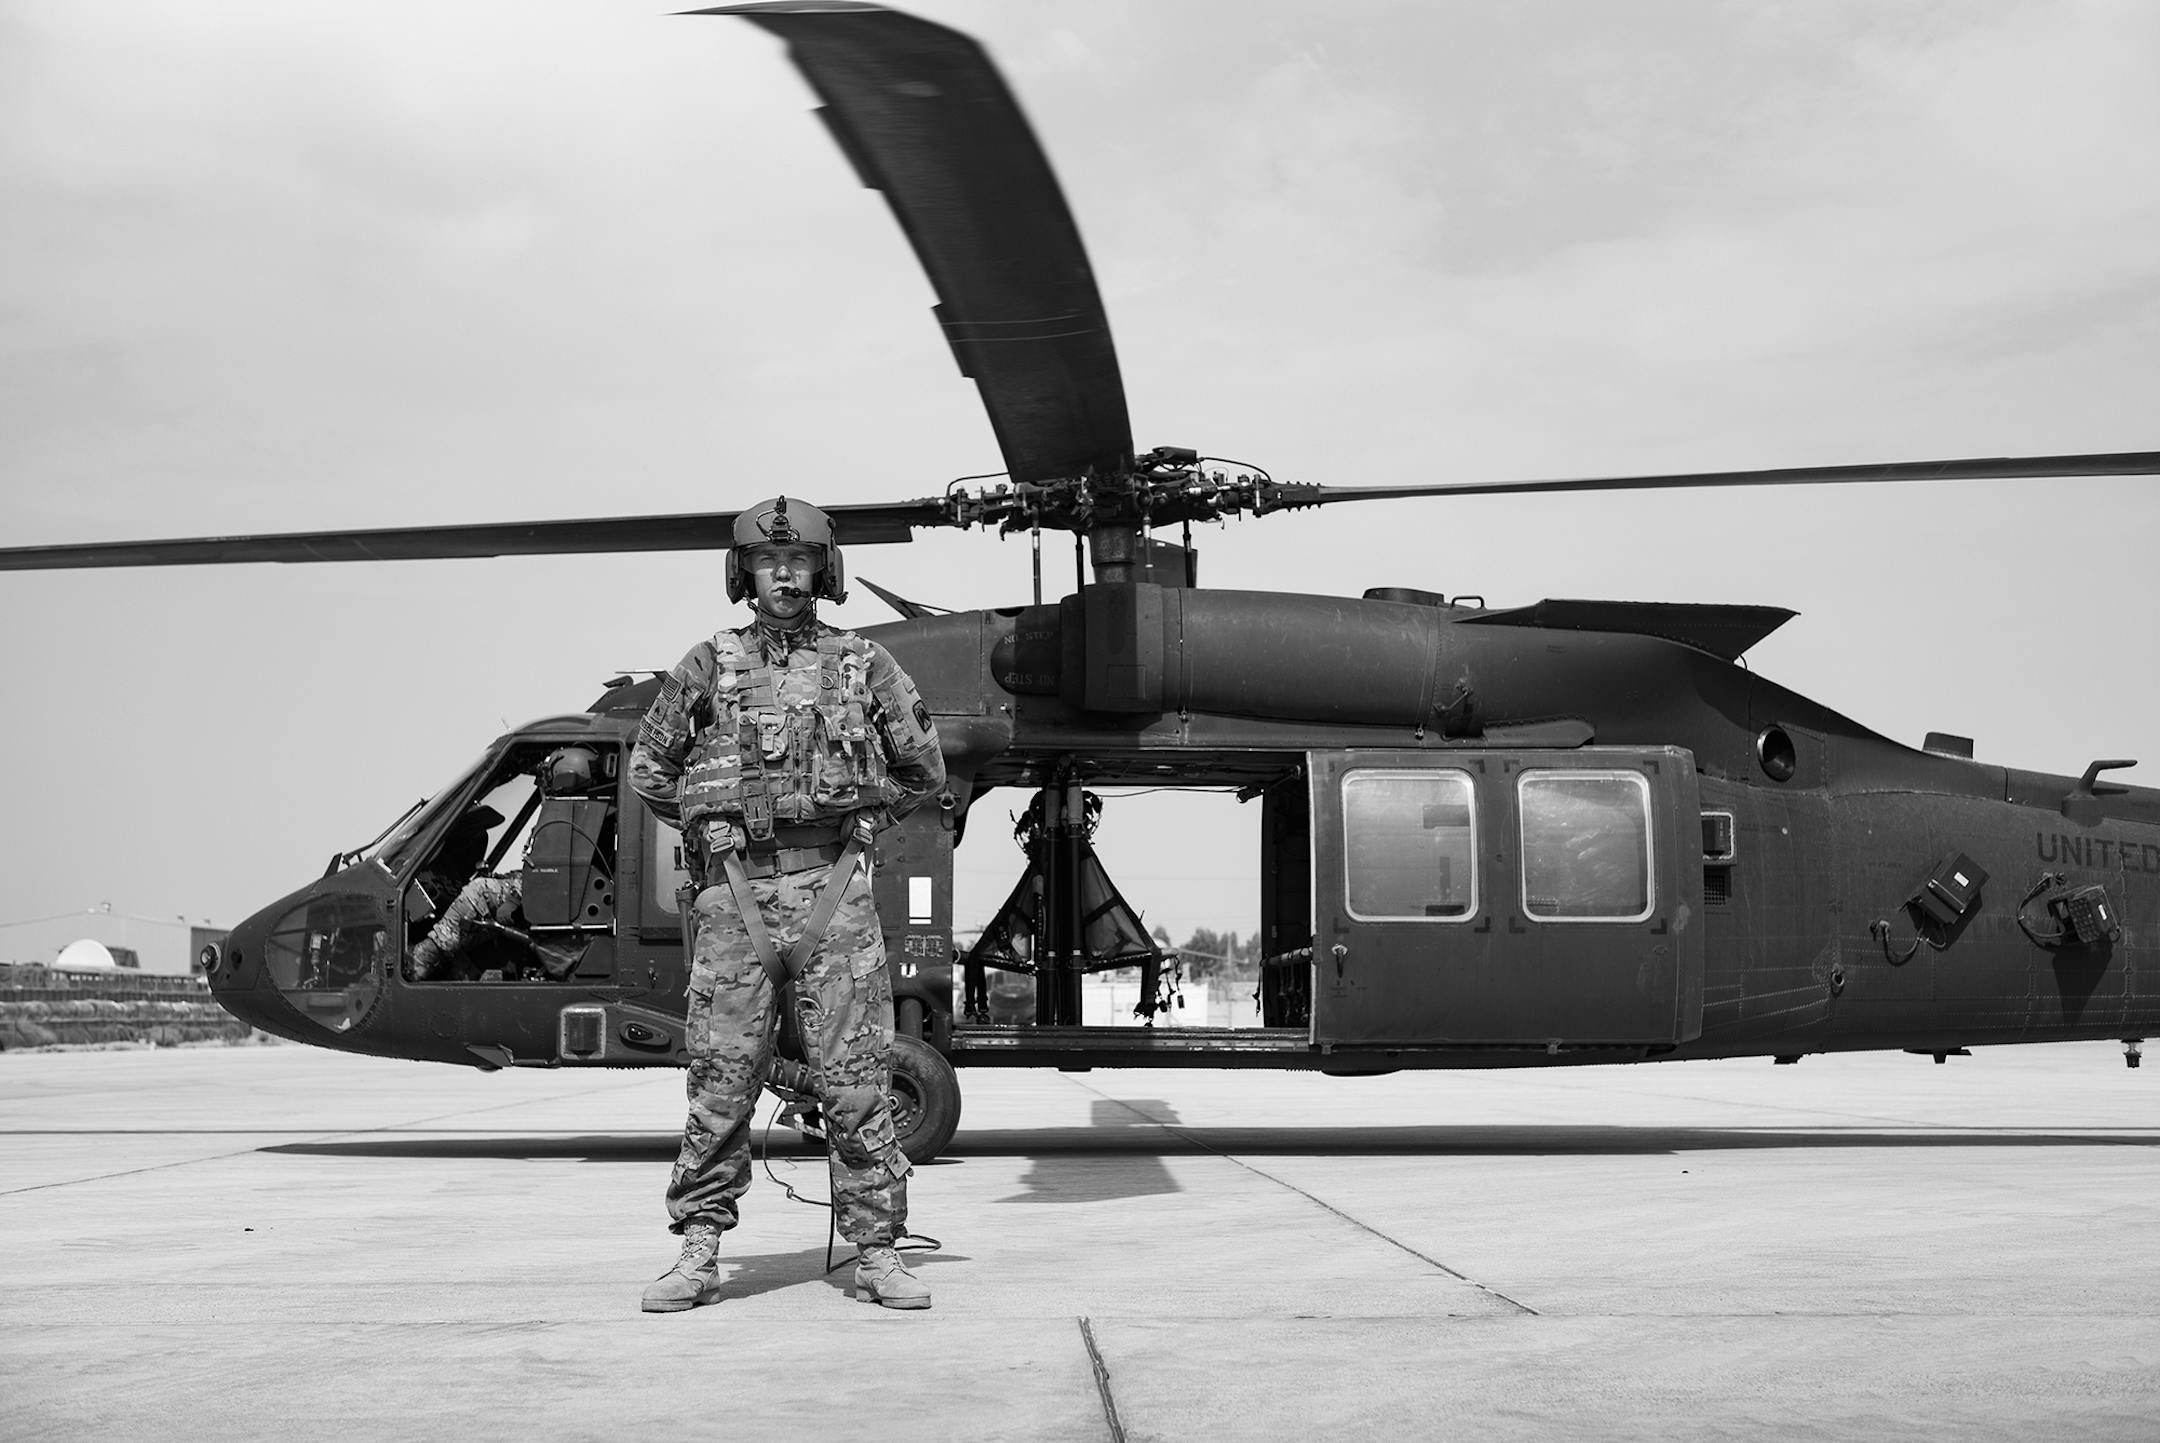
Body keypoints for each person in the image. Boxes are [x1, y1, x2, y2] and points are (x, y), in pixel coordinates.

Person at [629, 496, 945, 1313]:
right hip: (734, 896)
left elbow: (924, 769)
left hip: (833, 896)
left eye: (799, 561)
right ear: (745, 573)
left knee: (856, 1081)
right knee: (720, 1081)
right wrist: (710, 825)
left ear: (821, 570)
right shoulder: (707, 664)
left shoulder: (863, 663)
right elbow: (649, 769)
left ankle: (876, 1251)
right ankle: (699, 1250)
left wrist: (869, 816)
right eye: (769, 562)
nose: (783, 574)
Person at [406, 747, 609, 983]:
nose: (543, 786)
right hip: (559, 900)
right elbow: (546, 870)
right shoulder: (584, 814)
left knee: (478, 892)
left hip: (556, 903)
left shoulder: (566, 818)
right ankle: (460, 975)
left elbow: (551, 876)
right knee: (483, 923)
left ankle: (421, 960)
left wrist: (513, 895)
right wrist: (506, 881)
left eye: (547, 779)